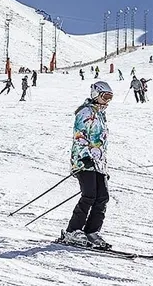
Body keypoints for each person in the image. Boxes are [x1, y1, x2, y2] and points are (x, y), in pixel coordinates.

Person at [60, 81, 113, 250]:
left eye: (110, 98)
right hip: (84, 161)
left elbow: (101, 141)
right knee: (89, 195)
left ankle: (91, 231)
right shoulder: (85, 112)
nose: (107, 101)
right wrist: (84, 157)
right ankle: (72, 230)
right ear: (96, 94)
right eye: (105, 96)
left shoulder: (101, 114)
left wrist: (103, 165)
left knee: (102, 197)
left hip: (98, 163)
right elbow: (79, 135)